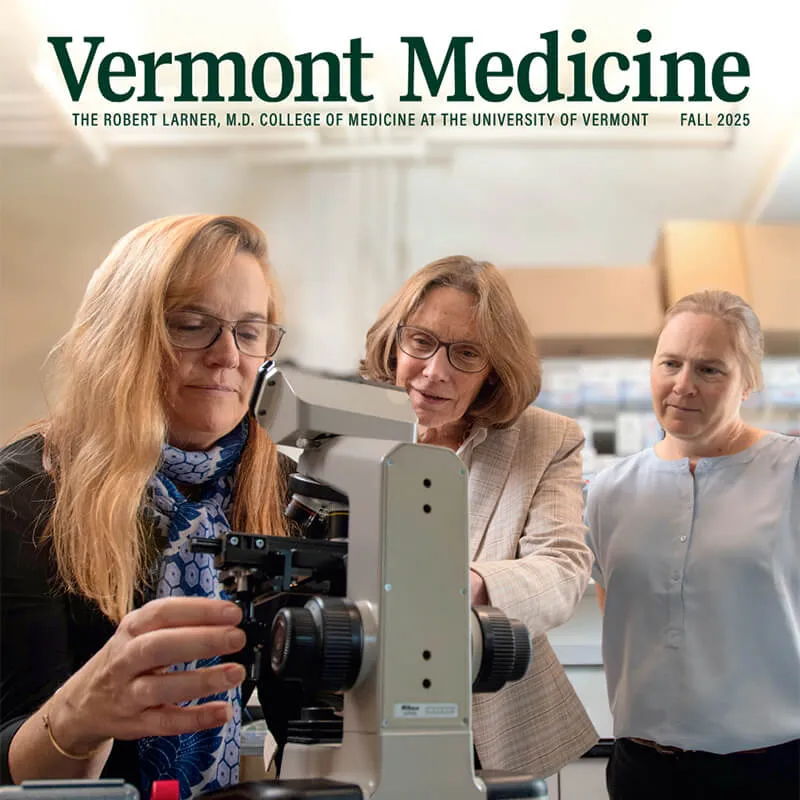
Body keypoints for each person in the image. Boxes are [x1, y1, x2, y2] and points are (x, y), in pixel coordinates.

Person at [0, 214, 294, 799]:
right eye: (191, 326)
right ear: (121, 335)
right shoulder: (24, 495)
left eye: (249, 332)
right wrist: (80, 719)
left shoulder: (286, 491)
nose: (227, 356)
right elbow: (11, 763)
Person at [361, 255, 598, 779]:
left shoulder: (545, 439)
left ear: (493, 370)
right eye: (421, 341)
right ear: (395, 341)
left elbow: (563, 568)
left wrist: (469, 587)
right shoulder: (343, 426)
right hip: (352, 712)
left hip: (487, 729)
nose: (435, 370)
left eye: (466, 353)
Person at [585, 289, 800, 800]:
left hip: (774, 769)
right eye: (670, 363)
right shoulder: (610, 492)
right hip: (645, 770)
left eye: (709, 369)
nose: (683, 385)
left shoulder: (790, 472)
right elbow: (618, 612)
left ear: (748, 381)